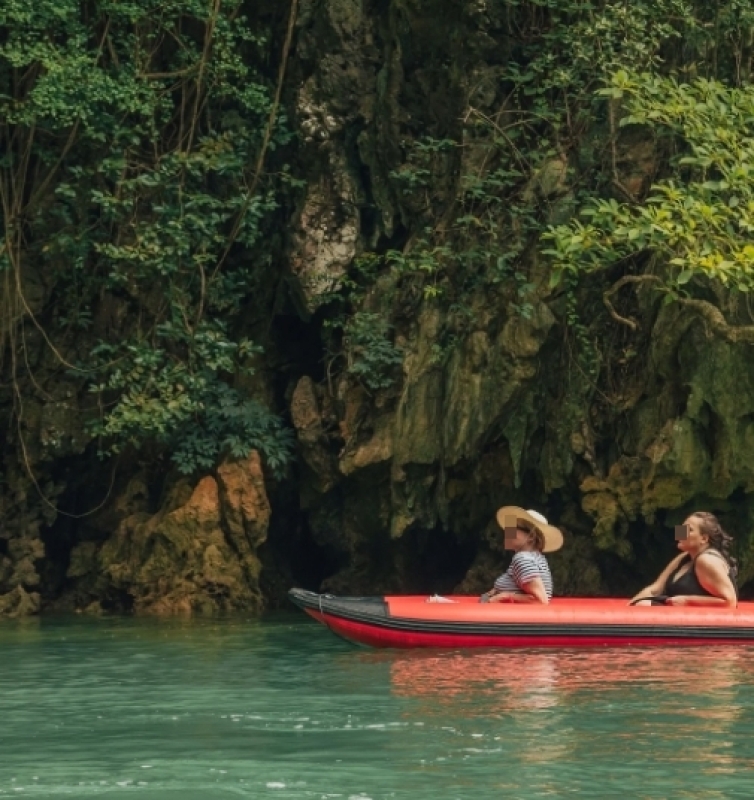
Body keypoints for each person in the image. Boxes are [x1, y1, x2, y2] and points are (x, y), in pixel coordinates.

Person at [629, 511, 738, 607]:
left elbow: (730, 602)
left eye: (688, 530)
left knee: (645, 605)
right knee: (641, 604)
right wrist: (629, 608)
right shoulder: (684, 557)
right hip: (679, 621)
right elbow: (655, 589)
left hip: (703, 624)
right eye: (681, 528)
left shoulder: (706, 561)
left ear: (704, 538)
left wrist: (687, 601)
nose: (680, 533)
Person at [481, 507, 563, 604]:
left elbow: (540, 601)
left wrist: (505, 596)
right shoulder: (535, 558)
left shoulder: (523, 559)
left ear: (531, 536)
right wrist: (488, 597)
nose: (507, 532)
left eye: (513, 528)